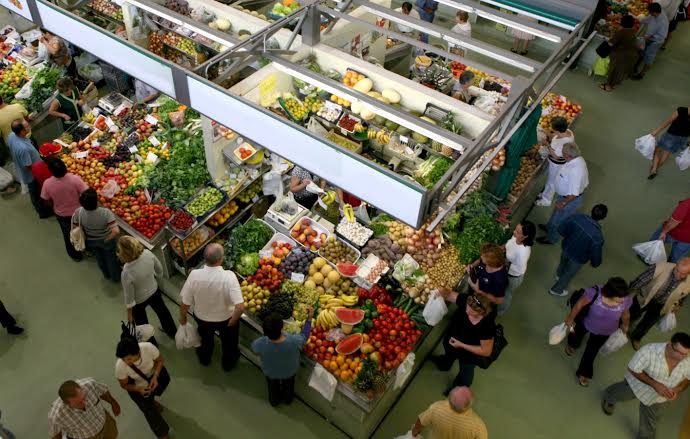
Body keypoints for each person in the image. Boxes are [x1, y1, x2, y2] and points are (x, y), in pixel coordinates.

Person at [602, 332, 690, 439]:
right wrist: (655, 384)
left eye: (685, 354)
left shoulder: (687, 359)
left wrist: (678, 389)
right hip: (637, 386)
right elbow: (633, 369)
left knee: (650, 421)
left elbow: (688, 378)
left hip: (660, 398)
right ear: (669, 344)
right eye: (679, 353)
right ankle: (608, 398)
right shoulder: (649, 351)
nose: (681, 357)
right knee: (619, 393)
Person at [179, 243, 245, 371]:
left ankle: (205, 359)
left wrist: (183, 318)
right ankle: (228, 364)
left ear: (204, 258)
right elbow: (240, 307)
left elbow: (185, 302)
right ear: (221, 259)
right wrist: (233, 321)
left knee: (206, 340)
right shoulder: (229, 277)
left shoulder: (194, 275)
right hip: (225, 319)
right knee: (229, 344)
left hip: (202, 318)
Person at [564, 277, 631, 387]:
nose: (623, 300)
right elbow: (579, 305)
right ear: (610, 293)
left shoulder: (625, 298)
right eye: (620, 297)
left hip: (605, 331)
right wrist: (570, 318)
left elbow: (626, 314)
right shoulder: (594, 293)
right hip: (585, 323)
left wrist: (625, 325)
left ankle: (583, 372)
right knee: (576, 335)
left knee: (591, 351)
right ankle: (572, 345)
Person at [431, 293, 496, 390]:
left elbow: (486, 351)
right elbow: (449, 295)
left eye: (471, 311)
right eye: (467, 306)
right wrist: (438, 292)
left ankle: (458, 388)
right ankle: (444, 364)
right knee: (448, 355)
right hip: (452, 341)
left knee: (466, 373)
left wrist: (461, 345)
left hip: (469, 354)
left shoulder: (487, 325)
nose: (467, 310)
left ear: (480, 312)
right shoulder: (468, 301)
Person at [117, 236, 177, 341]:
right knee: (163, 312)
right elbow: (159, 270)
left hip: (139, 300)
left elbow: (129, 296)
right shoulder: (147, 254)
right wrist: (155, 279)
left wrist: (129, 313)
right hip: (154, 290)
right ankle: (172, 331)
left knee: (142, 323)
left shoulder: (126, 272)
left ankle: (151, 343)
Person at [252, 308, 314, 406]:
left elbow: (255, 349)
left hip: (271, 372)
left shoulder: (260, 343)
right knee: (289, 386)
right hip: (289, 372)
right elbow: (305, 335)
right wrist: (309, 318)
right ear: (282, 328)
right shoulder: (293, 341)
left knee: (272, 387)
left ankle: (274, 401)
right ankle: (287, 399)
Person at [627, 257, 690, 349]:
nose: (678, 275)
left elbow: (684, 295)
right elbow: (640, 280)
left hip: (662, 305)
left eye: (682, 274)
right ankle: (623, 327)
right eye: (677, 270)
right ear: (676, 264)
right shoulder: (660, 267)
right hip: (646, 297)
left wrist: (678, 305)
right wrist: (627, 292)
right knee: (633, 313)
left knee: (648, 323)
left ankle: (636, 337)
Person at [546, 204, 608, 297]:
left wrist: (567, 237)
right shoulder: (598, 236)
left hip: (566, 247)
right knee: (568, 274)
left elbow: (561, 228)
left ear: (592, 210)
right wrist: (595, 263)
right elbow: (596, 254)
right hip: (578, 258)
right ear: (603, 217)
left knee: (562, 262)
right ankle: (556, 290)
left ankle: (558, 275)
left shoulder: (577, 217)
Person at [115, 337, 170, 439]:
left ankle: (152, 400)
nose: (126, 362)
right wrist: (138, 389)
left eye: (129, 359)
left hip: (154, 376)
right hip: (137, 386)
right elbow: (124, 385)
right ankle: (163, 435)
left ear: (138, 352)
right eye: (123, 359)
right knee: (150, 413)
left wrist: (156, 376)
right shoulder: (120, 366)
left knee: (158, 388)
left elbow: (160, 360)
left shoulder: (148, 348)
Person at [536, 143, 589, 245]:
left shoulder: (576, 171)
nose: (561, 154)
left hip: (569, 200)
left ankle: (551, 239)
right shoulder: (576, 159)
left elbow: (574, 193)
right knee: (555, 214)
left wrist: (563, 203)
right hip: (564, 196)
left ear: (568, 156)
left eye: (563, 153)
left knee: (558, 221)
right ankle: (548, 227)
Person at [42, 156, 88, 261]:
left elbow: (45, 199)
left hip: (62, 214)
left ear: (51, 171)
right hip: (79, 212)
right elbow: (86, 192)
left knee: (68, 234)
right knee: (83, 230)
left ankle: (75, 255)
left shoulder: (47, 184)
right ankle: (87, 248)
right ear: (65, 167)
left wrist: (55, 206)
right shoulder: (75, 179)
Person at [72, 188, 121, 282]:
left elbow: (75, 226)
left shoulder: (79, 212)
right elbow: (116, 231)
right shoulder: (105, 213)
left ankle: (106, 275)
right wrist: (107, 239)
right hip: (105, 240)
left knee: (99, 258)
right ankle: (115, 277)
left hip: (91, 240)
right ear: (97, 201)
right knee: (111, 259)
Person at [48, 378, 121, 439]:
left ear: (81, 389)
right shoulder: (56, 415)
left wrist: (113, 403)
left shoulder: (90, 385)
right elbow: (56, 435)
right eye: (78, 403)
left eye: (84, 398)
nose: (84, 403)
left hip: (106, 424)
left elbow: (103, 391)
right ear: (67, 404)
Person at [410, 386, 488, 439]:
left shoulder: (436, 407)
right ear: (469, 404)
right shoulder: (478, 426)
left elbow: (420, 422)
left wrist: (414, 432)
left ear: (449, 400)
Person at [7, 119, 45, 217]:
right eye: (27, 126)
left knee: (35, 192)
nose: (29, 127)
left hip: (25, 168)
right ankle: (42, 212)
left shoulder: (11, 136)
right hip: (31, 175)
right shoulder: (23, 148)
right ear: (22, 131)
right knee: (35, 192)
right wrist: (39, 173)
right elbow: (28, 166)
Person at [535, 116, 576, 206]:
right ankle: (544, 194)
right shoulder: (568, 132)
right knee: (550, 179)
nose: (551, 129)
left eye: (553, 128)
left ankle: (546, 200)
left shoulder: (563, 143)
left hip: (557, 164)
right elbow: (556, 136)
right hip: (558, 162)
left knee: (552, 182)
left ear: (557, 130)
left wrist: (547, 144)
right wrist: (545, 132)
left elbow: (556, 156)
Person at [498, 220, 536, 315]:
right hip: (506, 269)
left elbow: (518, 269)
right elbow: (508, 244)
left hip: (513, 277)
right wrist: (500, 248)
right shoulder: (516, 237)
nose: (514, 232)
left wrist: (502, 263)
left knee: (506, 294)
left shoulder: (523, 252)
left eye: (518, 232)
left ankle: (500, 311)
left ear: (525, 236)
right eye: (515, 229)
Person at [647, 106, 690, 179]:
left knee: (657, 150)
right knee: (667, 153)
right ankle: (656, 167)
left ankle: (654, 169)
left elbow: (668, 121)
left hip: (671, 136)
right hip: (683, 139)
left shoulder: (681, 110)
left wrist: (656, 131)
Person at [600, 15, 640, 92]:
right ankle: (613, 85)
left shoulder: (622, 31)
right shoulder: (632, 31)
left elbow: (611, 44)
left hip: (620, 54)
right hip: (630, 55)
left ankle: (608, 87)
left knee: (613, 70)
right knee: (620, 71)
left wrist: (607, 40)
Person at [632, 3, 669, 80]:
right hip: (648, 38)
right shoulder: (656, 13)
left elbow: (662, 37)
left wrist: (649, 37)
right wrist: (638, 20)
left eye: (651, 12)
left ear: (655, 12)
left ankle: (641, 74)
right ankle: (635, 67)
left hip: (655, 42)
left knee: (649, 58)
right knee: (641, 51)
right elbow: (647, 19)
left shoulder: (663, 22)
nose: (650, 14)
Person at [649, 197, 690, 262]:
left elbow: (675, 221)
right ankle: (671, 265)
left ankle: (649, 256)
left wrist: (664, 232)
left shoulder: (687, 203)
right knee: (677, 258)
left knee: (654, 243)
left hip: (673, 232)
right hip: (687, 240)